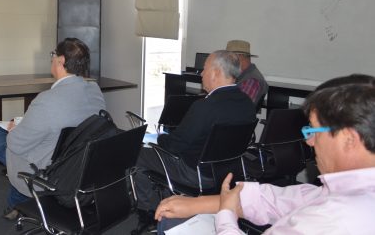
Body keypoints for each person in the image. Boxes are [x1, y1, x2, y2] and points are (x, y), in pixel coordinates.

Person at [154, 80, 375, 234]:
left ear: (349, 139)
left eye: (313, 131)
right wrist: (203, 202)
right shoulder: (347, 193)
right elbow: (287, 199)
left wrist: (226, 214)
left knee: (172, 224)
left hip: (198, 175)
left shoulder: (332, 220)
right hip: (221, 174)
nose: (309, 142)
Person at [0, 38, 106, 220]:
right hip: (79, 163)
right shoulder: (94, 90)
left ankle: (17, 203)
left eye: (53, 55)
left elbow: (16, 144)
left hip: (47, 169)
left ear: (61, 61)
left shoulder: (47, 100)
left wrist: (14, 129)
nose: (52, 59)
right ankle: (17, 204)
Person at [133, 50, 256, 226]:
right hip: (228, 173)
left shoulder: (205, 107)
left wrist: (159, 138)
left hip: (196, 174)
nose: (201, 74)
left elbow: (175, 146)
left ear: (216, 72)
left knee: (139, 154)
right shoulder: (247, 104)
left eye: (204, 69)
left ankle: (148, 211)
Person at [225, 40, 268, 107]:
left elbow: (240, 107)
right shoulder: (242, 75)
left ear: (239, 57)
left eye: (229, 57)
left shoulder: (251, 80)